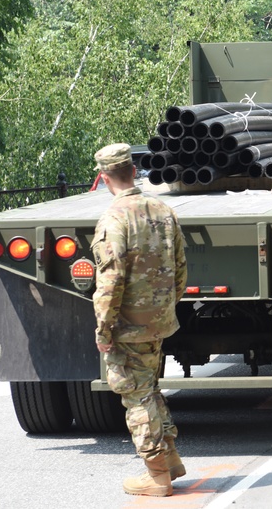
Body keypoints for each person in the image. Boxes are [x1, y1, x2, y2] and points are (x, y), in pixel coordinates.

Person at [91, 143, 188, 497]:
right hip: (158, 319)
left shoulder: (114, 218)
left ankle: (157, 475)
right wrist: (164, 308)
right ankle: (171, 460)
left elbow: (111, 279)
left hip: (127, 324)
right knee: (149, 388)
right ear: (133, 171)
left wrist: (103, 329)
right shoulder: (163, 209)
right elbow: (180, 267)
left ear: (104, 178)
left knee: (136, 396)